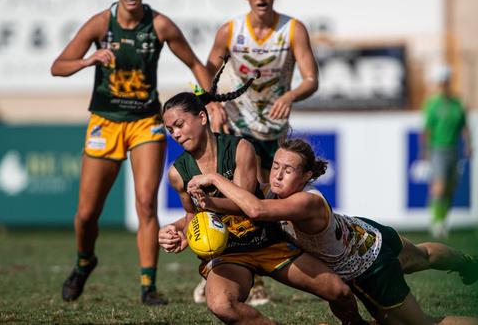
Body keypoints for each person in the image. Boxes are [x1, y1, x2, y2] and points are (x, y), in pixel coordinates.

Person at [188, 139, 478, 325]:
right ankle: (468, 262)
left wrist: (213, 177)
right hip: (369, 233)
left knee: (425, 324)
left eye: (289, 169)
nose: (278, 174)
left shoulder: (305, 202)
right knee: (424, 255)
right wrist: (208, 203)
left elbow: (254, 210)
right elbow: (245, 206)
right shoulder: (275, 193)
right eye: (277, 165)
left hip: (370, 268)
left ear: (306, 176)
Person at [50, 0, 214, 305]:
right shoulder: (100, 24)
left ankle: (147, 286)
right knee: (86, 214)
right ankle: (84, 261)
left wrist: (211, 101)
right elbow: (58, 66)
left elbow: (196, 64)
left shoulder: (160, 25)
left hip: (145, 122)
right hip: (105, 121)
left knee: (145, 204)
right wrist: (88, 61)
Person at [158, 92, 369, 325]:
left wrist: (211, 196)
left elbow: (247, 204)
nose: (176, 134)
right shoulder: (177, 174)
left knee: (339, 292)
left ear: (202, 117)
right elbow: (193, 215)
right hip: (229, 254)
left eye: (179, 125)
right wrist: (178, 233)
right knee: (221, 305)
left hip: (268, 241)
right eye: (170, 130)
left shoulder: (239, 148)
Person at [201, 0, 320, 304]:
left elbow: (312, 79)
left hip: (276, 131)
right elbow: (206, 71)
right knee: (240, 198)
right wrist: (212, 102)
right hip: (239, 127)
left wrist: (291, 94)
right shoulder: (230, 30)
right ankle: (222, 270)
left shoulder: (293, 29)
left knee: (269, 207)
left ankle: (254, 270)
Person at [420, 65, 472, 239]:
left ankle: (443, 219)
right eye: (440, 82)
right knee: (439, 186)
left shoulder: (457, 103)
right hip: (438, 149)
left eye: (445, 82)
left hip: (453, 148)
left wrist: (468, 144)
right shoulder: (433, 104)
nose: (443, 85)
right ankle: (436, 221)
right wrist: (426, 150)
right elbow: (427, 129)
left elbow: (464, 125)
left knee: (450, 187)